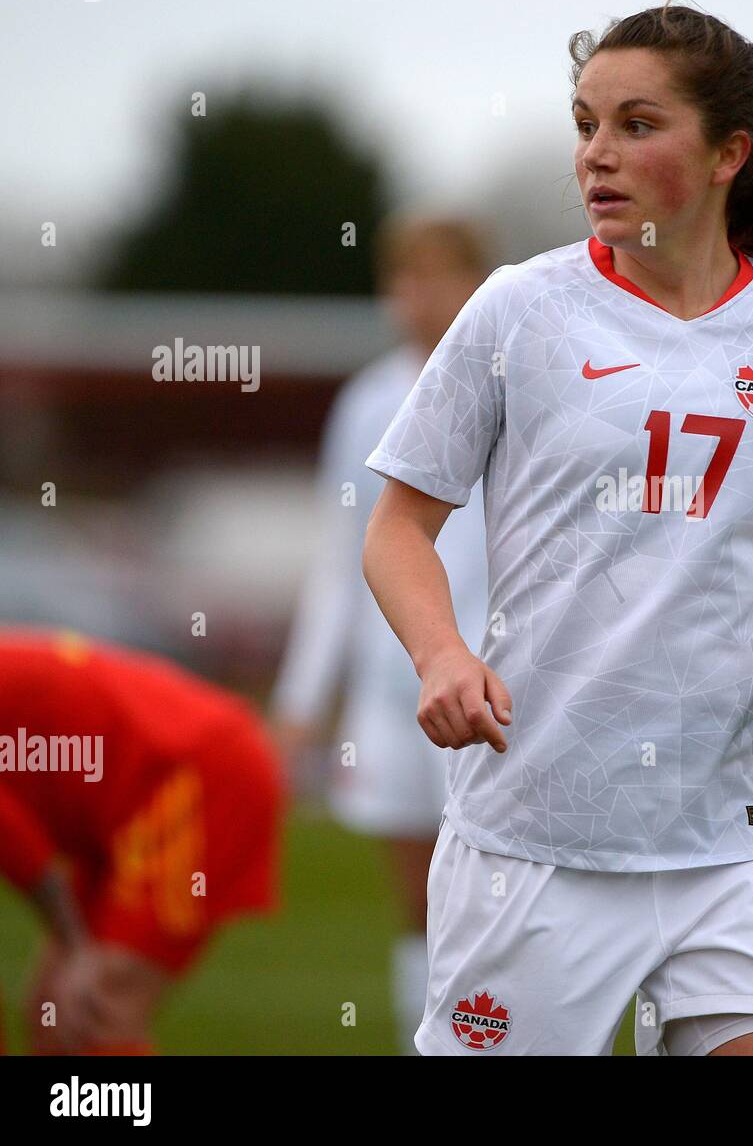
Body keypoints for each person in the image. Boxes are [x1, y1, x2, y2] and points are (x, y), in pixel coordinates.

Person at [362, 0, 753, 1057]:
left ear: (727, 154)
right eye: (584, 125)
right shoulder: (519, 311)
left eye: (636, 125)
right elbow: (395, 529)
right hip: (535, 833)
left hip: (734, 836)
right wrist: (442, 655)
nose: (596, 156)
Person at [269, 215, 493, 1052]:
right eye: (404, 278)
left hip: (490, 685)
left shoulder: (513, 380)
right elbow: (341, 554)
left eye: (438, 276)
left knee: (488, 900)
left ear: (476, 280)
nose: (419, 297)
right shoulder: (366, 400)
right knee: (418, 902)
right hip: (389, 692)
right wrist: (302, 697)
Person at [0, 628, 283, 1054]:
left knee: (98, 1008)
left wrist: (75, 946)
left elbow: (18, 846)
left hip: (192, 776)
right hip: (128, 804)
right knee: (54, 1011)